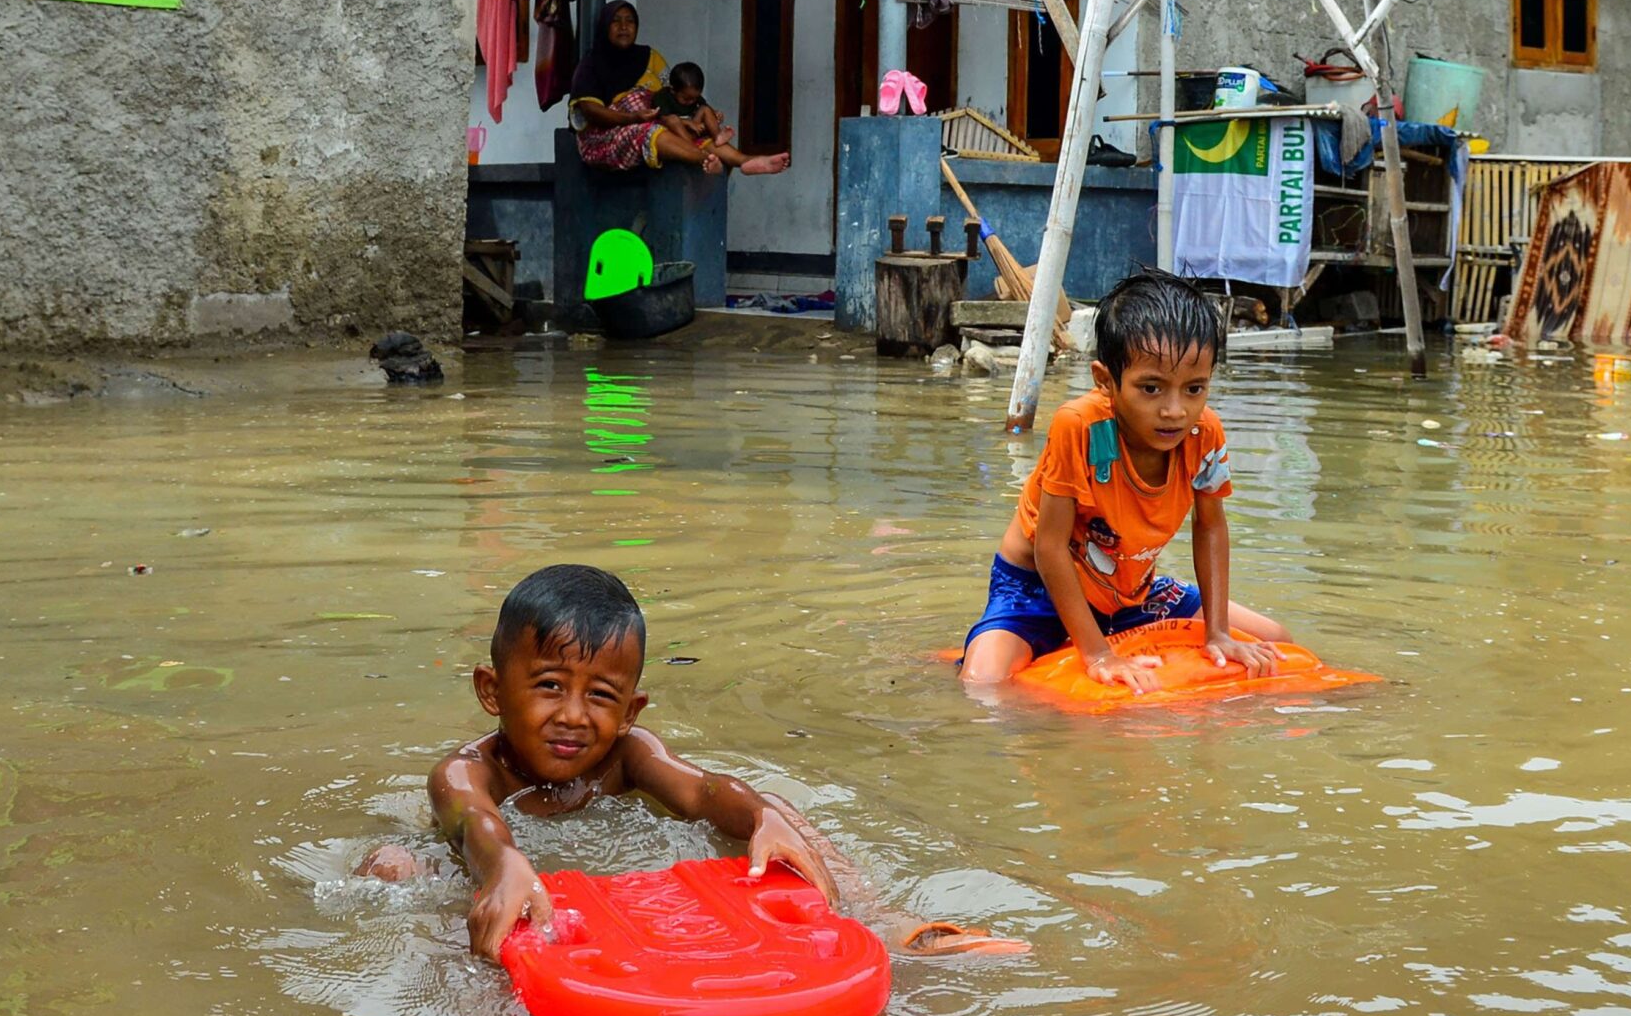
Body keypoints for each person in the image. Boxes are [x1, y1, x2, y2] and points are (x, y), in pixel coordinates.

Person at [377, 564, 1020, 960]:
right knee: (391, 864)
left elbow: (705, 792)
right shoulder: (465, 773)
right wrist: (505, 866)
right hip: (481, 866)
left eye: (601, 696)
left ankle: (879, 920)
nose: (574, 715)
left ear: (631, 711)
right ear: (492, 691)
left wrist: (763, 818)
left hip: (570, 867)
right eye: (549, 686)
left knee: (777, 813)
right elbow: (478, 826)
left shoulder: (627, 756)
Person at [961, 271, 1292, 688]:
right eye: (1151, 388)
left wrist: (1218, 633)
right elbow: (1049, 548)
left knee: (1276, 639)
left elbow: (1210, 526)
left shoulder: (1204, 433)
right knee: (983, 681)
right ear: (1105, 381)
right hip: (1037, 587)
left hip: (1130, 591)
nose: (1175, 411)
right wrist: (1098, 654)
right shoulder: (1079, 427)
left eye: (1194, 389)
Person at [570, 1, 789, 178]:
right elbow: (590, 110)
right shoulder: (591, 65)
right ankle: (704, 159)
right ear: (604, 26)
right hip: (607, 136)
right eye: (616, 21)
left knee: (699, 133)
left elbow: (672, 93)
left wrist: (694, 117)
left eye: (630, 21)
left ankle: (748, 161)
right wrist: (633, 117)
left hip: (656, 120)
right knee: (652, 133)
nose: (624, 27)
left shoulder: (649, 57)